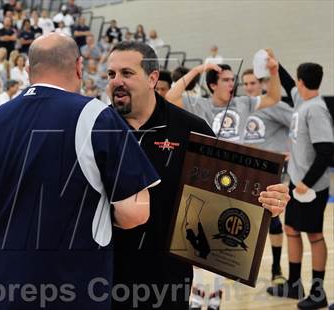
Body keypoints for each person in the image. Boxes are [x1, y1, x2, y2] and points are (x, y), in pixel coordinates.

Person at [0, 33, 160, 310]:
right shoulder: (96, 116)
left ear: (29, 69)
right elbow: (136, 212)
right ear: (79, 67)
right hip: (66, 288)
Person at [106, 41, 290, 310]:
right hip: (104, 273)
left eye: (127, 73)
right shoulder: (96, 126)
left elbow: (225, 195)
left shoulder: (190, 128)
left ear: (152, 78)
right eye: (111, 74)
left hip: (167, 277)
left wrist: (265, 204)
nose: (117, 81)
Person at [267, 62, 334, 310]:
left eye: (296, 80)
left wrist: (306, 182)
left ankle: (318, 292)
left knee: (315, 235)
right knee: (292, 229)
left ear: (301, 82)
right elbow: (287, 83)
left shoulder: (315, 110)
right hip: (296, 184)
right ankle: (294, 284)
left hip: (311, 187)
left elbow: (326, 151)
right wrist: (276, 67)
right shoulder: (301, 99)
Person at [241, 68, 293, 285]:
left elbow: (299, 128)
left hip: (270, 172)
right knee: (242, 221)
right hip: (245, 171)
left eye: (253, 83)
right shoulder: (241, 107)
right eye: (245, 84)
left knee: (272, 220)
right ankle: (241, 266)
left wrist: (291, 150)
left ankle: (276, 267)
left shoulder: (275, 106)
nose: (249, 87)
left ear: (262, 84)